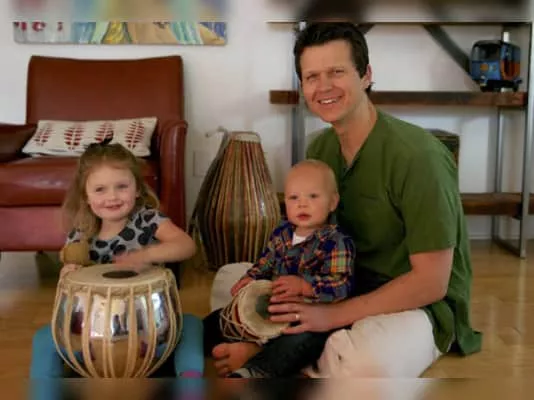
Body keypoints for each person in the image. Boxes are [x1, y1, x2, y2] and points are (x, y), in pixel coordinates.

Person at [212, 21, 483, 378]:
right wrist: (288, 286)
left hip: (416, 303)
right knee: (230, 279)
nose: (324, 87)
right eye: (312, 77)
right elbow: (313, 242)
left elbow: (431, 283)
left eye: (336, 72)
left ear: (366, 75)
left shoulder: (420, 157)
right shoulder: (320, 149)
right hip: (340, 282)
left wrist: (331, 314)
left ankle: (275, 353)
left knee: (364, 365)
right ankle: (288, 353)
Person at [29, 139, 203, 379]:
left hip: (150, 331)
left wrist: (147, 254)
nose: (112, 196)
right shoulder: (81, 233)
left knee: (191, 325)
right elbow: (71, 275)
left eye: (122, 186)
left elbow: (186, 245)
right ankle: (44, 390)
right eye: (100, 189)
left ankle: (189, 383)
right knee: (44, 337)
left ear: (137, 189)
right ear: (85, 195)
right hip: (94, 338)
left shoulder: (148, 220)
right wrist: (68, 273)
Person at [203, 159, 356, 378]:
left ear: (332, 202)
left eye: (313, 196)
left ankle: (255, 371)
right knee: (218, 320)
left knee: (298, 344)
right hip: (272, 307)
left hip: (306, 317)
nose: (302, 204)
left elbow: (342, 283)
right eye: (294, 198)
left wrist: (305, 286)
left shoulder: (337, 241)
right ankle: (182, 346)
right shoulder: (282, 232)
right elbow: (265, 263)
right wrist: (251, 277)